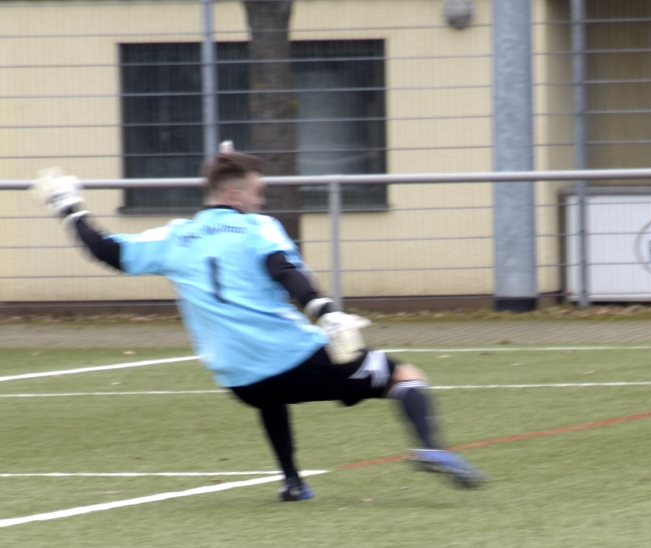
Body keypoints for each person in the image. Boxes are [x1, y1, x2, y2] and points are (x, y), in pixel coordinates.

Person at [31, 151, 487, 500]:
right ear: (235, 197)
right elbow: (285, 272)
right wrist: (326, 312)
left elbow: (105, 250)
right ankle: (431, 447)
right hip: (293, 359)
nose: (261, 200)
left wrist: (69, 206)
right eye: (257, 192)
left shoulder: (174, 237)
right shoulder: (258, 228)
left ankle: (292, 482)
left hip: (239, 380)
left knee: (272, 392)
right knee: (403, 375)